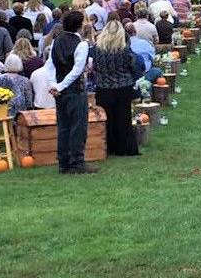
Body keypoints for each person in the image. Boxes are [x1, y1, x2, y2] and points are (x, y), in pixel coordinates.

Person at [43, 10, 97, 174]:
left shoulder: (56, 41)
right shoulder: (81, 44)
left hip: (60, 90)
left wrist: (54, 85)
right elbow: (77, 70)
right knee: (77, 127)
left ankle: (64, 162)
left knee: (64, 126)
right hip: (74, 90)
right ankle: (76, 162)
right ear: (80, 26)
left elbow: (50, 65)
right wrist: (58, 86)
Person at [92, 20, 141, 157]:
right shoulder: (124, 49)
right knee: (123, 117)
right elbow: (132, 65)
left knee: (107, 118)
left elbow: (95, 66)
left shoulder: (97, 49)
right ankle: (124, 147)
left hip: (104, 86)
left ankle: (109, 146)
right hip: (123, 86)